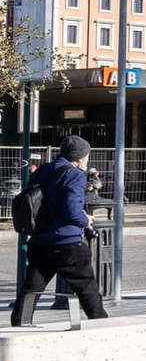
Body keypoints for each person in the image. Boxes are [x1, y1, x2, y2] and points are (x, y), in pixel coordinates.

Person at [10, 136, 108, 325]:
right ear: (79, 158)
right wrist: (84, 219)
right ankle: (101, 325)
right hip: (67, 242)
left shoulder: (44, 170)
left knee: (31, 289)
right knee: (87, 289)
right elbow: (71, 211)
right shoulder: (75, 174)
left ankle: (19, 325)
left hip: (40, 240)